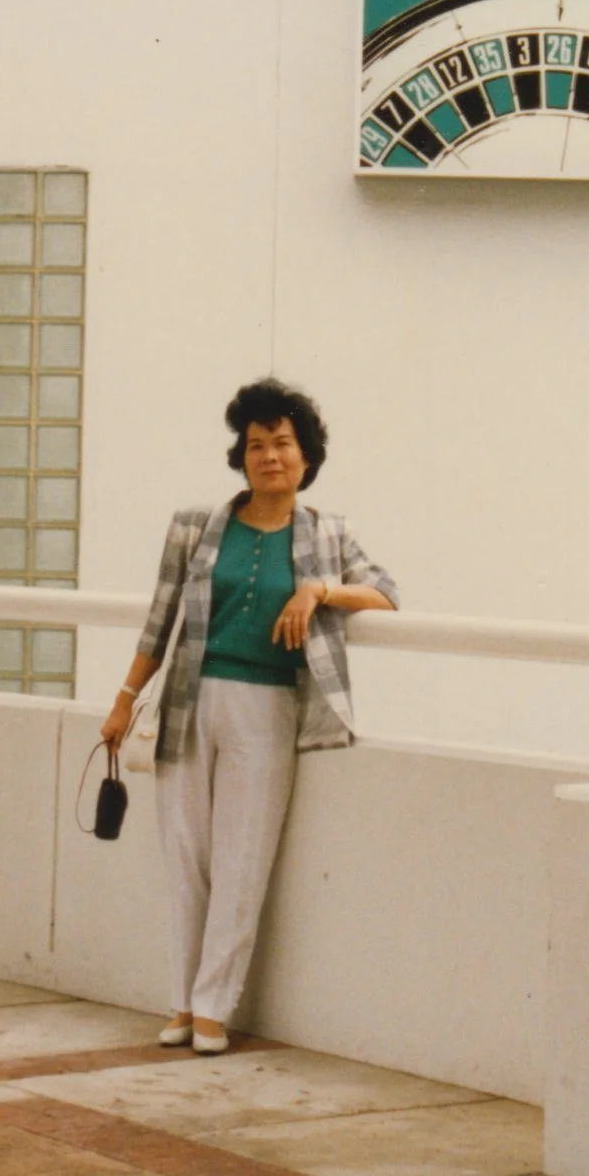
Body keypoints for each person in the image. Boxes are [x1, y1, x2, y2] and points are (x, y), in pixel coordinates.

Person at [98, 379, 399, 1055]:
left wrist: (319, 590)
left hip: (268, 706)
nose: (269, 456)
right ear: (241, 456)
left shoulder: (328, 533)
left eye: (282, 443)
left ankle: (213, 1007)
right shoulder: (196, 526)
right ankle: (181, 1001)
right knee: (185, 856)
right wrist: (123, 698)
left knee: (242, 859)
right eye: (256, 444)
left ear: (306, 455)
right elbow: (160, 618)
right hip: (188, 698)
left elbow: (385, 592)